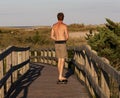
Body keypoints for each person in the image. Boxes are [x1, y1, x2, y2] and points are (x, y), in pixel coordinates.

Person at [50, 12, 69, 83]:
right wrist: (64, 39)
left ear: (57, 17)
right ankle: (60, 76)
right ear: (63, 18)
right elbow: (67, 36)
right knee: (62, 59)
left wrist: (56, 39)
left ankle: (60, 75)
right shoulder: (64, 26)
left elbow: (51, 36)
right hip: (62, 42)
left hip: (56, 43)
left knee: (59, 60)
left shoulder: (54, 26)